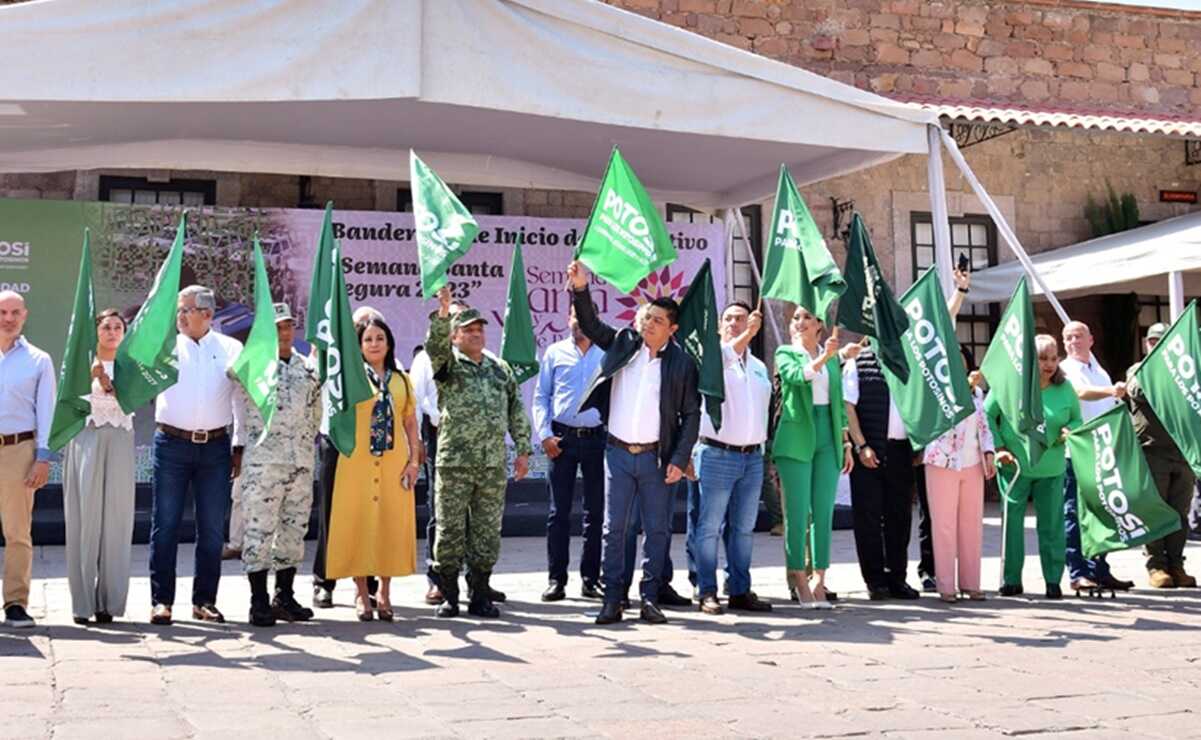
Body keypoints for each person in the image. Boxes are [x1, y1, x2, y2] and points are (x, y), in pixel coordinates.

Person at [567, 261, 700, 626]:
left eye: (658, 320)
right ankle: (613, 599)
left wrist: (680, 456)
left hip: (657, 458)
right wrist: (580, 288)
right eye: (646, 317)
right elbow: (592, 324)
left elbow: (691, 414)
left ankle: (650, 597)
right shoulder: (623, 344)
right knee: (615, 529)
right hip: (618, 453)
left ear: (672, 329)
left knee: (657, 529)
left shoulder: (682, 363)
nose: (648, 324)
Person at [426, 288, 532, 618]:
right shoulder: (448, 367)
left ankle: (480, 591)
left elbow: (516, 410)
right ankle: (449, 593)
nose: (475, 333)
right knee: (450, 531)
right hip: (455, 463)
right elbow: (435, 347)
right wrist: (443, 313)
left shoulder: (500, 369)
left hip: (491, 464)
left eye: (479, 329)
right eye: (468, 329)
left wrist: (523, 450)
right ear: (455, 336)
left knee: (486, 532)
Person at [148, 286, 246, 625]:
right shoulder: (164, 348)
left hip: (216, 448)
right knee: (166, 524)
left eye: (186, 309)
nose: (180, 315)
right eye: (178, 309)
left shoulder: (232, 348)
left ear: (207, 314)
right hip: (171, 444)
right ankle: (161, 601)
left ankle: (204, 600)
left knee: (212, 529)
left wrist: (240, 444)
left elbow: (240, 401)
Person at [320, 316, 420, 620]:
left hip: (393, 462)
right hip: (356, 463)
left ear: (388, 343)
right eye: (368, 339)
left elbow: (410, 421)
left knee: (390, 523)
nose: (374, 344)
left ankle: (384, 592)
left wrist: (414, 461)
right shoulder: (350, 379)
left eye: (380, 338)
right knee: (359, 524)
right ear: (359, 346)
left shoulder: (401, 379)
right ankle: (361, 593)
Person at [236, 303, 322, 627]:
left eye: (286, 326)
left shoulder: (308, 369)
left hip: (299, 464)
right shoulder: (254, 366)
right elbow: (235, 372)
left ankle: (283, 597)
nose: (283, 333)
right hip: (264, 465)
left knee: (293, 531)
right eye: (275, 328)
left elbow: (316, 414)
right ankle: (258, 601)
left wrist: (301, 446)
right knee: (259, 531)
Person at [689, 301, 773, 615]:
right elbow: (726, 356)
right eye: (729, 319)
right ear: (720, 326)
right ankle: (706, 591)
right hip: (717, 453)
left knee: (743, 529)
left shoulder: (758, 366)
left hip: (751, 458)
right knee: (709, 526)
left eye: (741, 318)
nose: (735, 323)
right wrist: (748, 334)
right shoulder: (714, 359)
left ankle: (739, 588)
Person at [988, 334, 1082, 600]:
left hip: (1051, 467)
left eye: (1053, 358)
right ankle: (1011, 580)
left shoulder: (1065, 388)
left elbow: (1076, 419)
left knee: (1052, 525)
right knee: (1012, 526)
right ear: (1031, 360)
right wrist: (999, 448)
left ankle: (1053, 580)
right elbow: (987, 414)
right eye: (1042, 358)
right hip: (1014, 467)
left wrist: (1069, 430)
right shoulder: (1010, 383)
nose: (1049, 364)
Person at [311, 304, 391, 609]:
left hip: (373, 448)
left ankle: (369, 585)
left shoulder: (387, 365)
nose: (367, 339)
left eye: (373, 331)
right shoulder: (335, 363)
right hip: (337, 443)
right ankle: (324, 582)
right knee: (332, 513)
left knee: (369, 515)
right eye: (358, 330)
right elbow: (315, 381)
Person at [772, 306, 853, 610]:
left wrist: (845, 443)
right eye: (796, 318)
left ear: (820, 325)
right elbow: (796, 378)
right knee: (797, 514)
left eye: (807, 318)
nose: (800, 322)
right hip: (796, 436)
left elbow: (839, 404)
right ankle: (799, 580)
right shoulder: (785, 352)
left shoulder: (831, 359)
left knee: (823, 512)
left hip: (828, 437)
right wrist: (826, 358)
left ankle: (820, 579)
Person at [62, 308, 136, 625]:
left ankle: (110, 602)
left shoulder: (132, 366)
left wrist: (106, 378)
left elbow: (133, 399)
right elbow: (65, 402)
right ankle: (82, 602)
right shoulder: (79, 364)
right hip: (85, 438)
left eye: (118, 327)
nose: (112, 332)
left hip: (120, 438)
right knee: (84, 519)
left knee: (117, 521)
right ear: (96, 331)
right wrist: (90, 374)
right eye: (106, 326)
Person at [533, 304, 606, 602]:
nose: (578, 322)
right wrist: (545, 435)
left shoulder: (607, 353)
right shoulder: (554, 353)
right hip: (561, 440)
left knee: (596, 512)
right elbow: (541, 396)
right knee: (558, 513)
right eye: (574, 316)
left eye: (584, 316)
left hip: (597, 439)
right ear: (568, 319)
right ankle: (556, 580)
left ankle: (590, 579)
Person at [1060, 321, 1135, 593]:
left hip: (1102, 450)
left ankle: (1100, 569)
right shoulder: (1067, 369)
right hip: (1077, 452)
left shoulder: (1097, 368)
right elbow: (1079, 393)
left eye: (1078, 336)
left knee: (1103, 511)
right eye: (1067, 338)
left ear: (1091, 339)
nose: (1072, 342)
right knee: (1075, 513)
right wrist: (1111, 390)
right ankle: (1078, 572)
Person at [844, 341, 920, 601]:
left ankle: (897, 577)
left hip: (902, 451)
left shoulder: (910, 362)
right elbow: (848, 406)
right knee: (868, 518)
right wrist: (861, 444)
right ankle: (875, 581)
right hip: (870, 449)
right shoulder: (859, 361)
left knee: (900, 517)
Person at [913, 268, 974, 592]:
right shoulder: (929, 372)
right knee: (931, 515)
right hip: (933, 456)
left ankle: (960, 575)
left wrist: (961, 290)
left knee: (959, 519)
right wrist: (959, 292)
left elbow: (945, 323)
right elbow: (940, 326)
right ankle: (929, 569)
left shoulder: (969, 389)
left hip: (965, 460)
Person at [1126, 323, 1197, 589]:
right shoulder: (1138, 370)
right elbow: (1138, 392)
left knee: (1179, 512)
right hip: (1152, 449)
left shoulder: (1186, 373)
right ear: (1146, 344)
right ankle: (1156, 565)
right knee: (1155, 510)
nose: (1157, 345)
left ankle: (1176, 564)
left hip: (1183, 450)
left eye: (1162, 341)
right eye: (1153, 341)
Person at [922, 347, 996, 603]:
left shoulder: (976, 392)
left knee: (971, 524)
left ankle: (971, 583)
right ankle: (946, 585)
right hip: (942, 462)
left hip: (972, 463)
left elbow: (984, 425)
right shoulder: (935, 389)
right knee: (943, 525)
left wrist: (989, 451)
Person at [0, 290, 56, 628]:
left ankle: (15, 604)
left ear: (25, 315)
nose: (8, 319)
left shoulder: (39, 360)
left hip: (18, 450)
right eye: (2, 312)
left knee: (18, 532)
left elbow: (46, 412)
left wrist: (43, 458)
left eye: (14, 313)